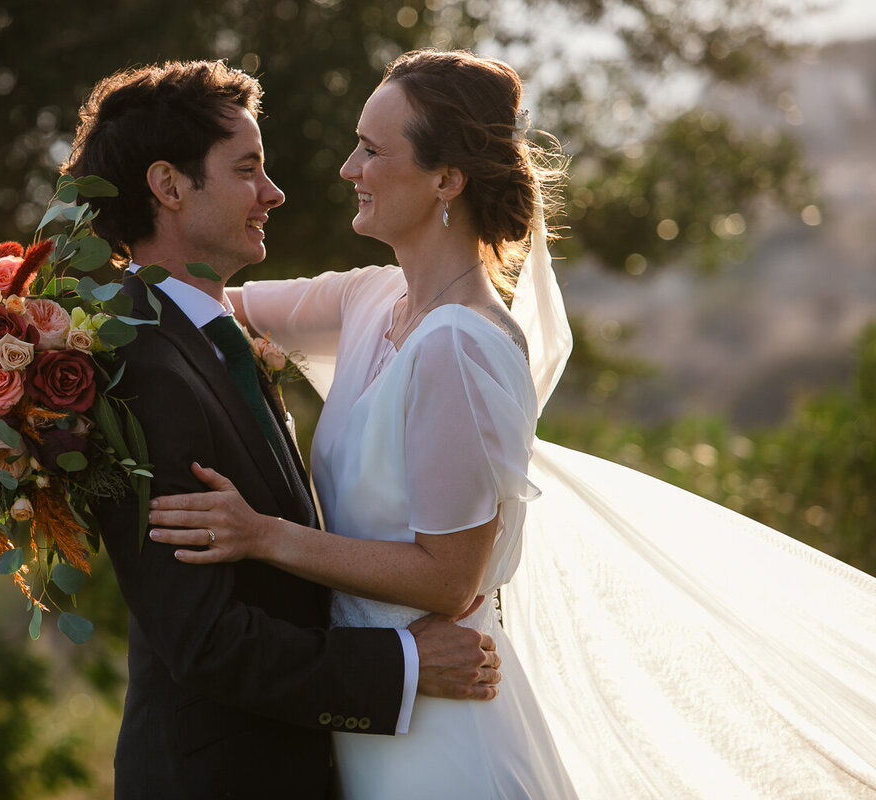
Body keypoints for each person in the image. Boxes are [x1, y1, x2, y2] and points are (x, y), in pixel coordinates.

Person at [150, 50, 876, 799]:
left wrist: (266, 535)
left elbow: (449, 576)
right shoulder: (369, 300)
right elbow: (184, 302)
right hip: (375, 721)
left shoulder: (461, 346)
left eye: (371, 149)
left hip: (443, 738)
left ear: (446, 180)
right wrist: (37, 321)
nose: (345, 168)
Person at [61, 60, 505, 800]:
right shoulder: (135, 366)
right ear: (168, 187)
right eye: (247, 169)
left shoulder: (207, 330)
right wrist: (403, 665)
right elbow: (204, 640)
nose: (275, 192)